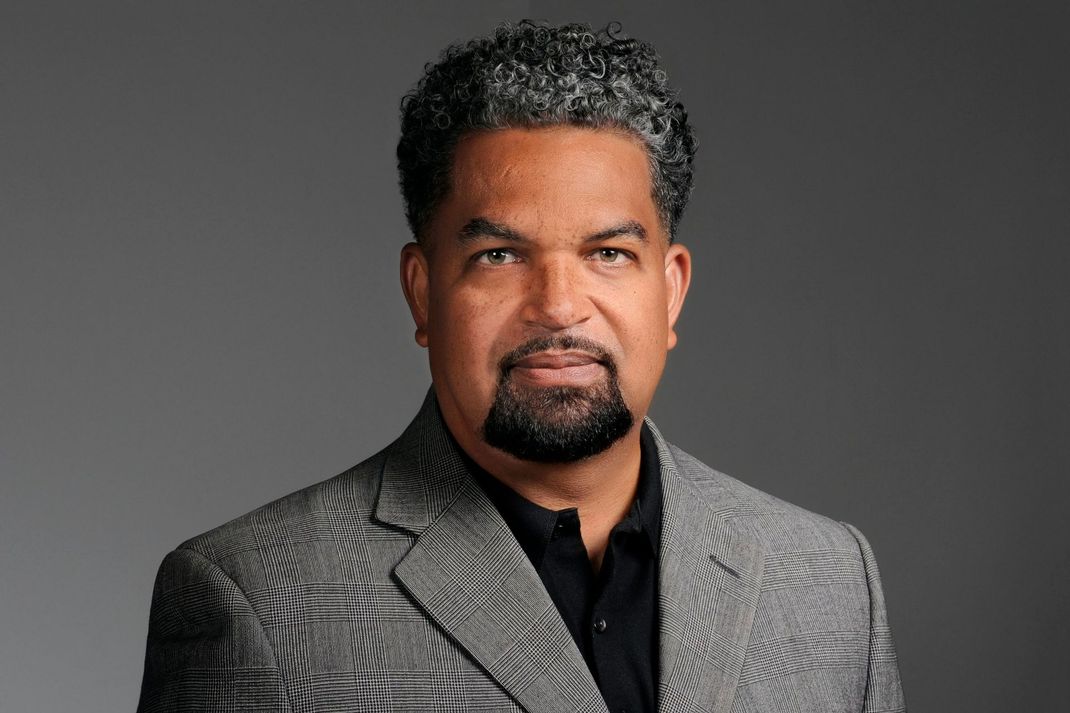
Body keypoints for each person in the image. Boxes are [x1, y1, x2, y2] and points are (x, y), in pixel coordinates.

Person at [137, 21, 905, 713]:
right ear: (423, 291)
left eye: (609, 253)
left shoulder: (830, 580)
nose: (559, 306)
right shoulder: (257, 602)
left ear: (669, 291)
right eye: (499, 255)